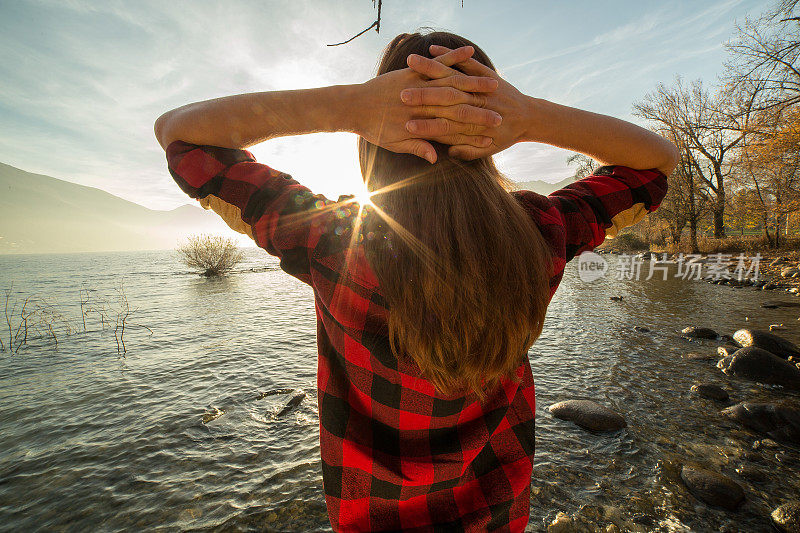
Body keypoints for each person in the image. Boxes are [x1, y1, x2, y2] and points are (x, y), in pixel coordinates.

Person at [155, 30, 677, 533]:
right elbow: (655, 164)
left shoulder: (330, 237)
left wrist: (346, 106)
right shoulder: (541, 230)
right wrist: (532, 117)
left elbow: (180, 135)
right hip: (497, 518)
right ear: (492, 131)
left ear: (375, 133)